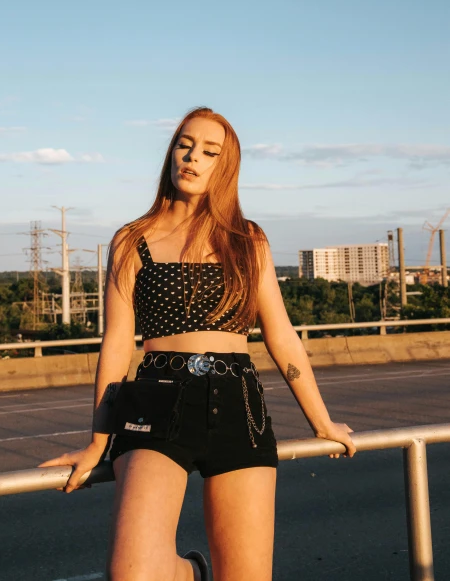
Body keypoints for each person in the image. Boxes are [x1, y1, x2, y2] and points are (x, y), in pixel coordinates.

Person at [40, 106, 356, 581]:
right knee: (131, 574)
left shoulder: (247, 240)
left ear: (224, 168)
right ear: (171, 153)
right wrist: (97, 442)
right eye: (185, 145)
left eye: (210, 152)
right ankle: (191, 573)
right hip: (155, 404)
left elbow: (281, 335)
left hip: (239, 406)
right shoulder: (132, 240)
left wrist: (322, 420)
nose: (192, 157)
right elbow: (117, 345)